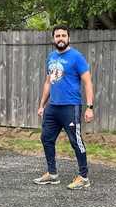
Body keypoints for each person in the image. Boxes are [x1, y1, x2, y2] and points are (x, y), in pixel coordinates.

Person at [33, 26, 94, 189]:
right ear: (53, 38)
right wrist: (42, 105)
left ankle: (84, 177)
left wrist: (90, 106)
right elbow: (48, 82)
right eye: (57, 35)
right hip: (53, 107)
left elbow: (87, 81)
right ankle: (52, 174)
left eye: (63, 35)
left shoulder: (76, 57)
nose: (61, 38)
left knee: (76, 141)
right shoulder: (51, 57)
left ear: (68, 38)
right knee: (46, 138)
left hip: (70, 106)